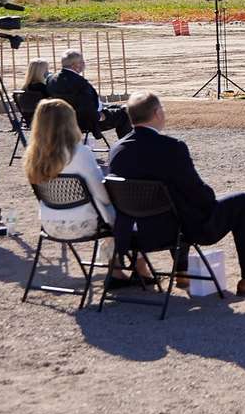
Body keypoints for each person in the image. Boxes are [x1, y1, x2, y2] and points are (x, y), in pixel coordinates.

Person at [108, 92, 245, 295]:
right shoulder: (171, 148)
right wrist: (212, 200)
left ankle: (182, 270)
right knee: (241, 201)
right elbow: (197, 194)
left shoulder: (117, 149)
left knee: (174, 201)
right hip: (172, 231)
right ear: (156, 113)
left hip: (134, 233)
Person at [23, 99, 152, 284]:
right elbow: (102, 196)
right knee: (123, 211)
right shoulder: (79, 153)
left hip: (50, 223)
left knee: (105, 213)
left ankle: (116, 270)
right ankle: (140, 268)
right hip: (83, 223)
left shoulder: (33, 156)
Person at [44, 49, 132, 138]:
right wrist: (100, 116)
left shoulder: (51, 80)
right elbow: (88, 107)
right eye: (82, 62)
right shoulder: (80, 83)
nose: (84, 64)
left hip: (62, 121)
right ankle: (127, 147)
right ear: (75, 65)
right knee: (124, 114)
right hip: (84, 122)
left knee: (119, 107)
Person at [18, 58, 50, 127]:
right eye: (46, 69)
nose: (48, 72)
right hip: (45, 120)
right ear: (41, 72)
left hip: (29, 120)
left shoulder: (25, 88)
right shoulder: (43, 88)